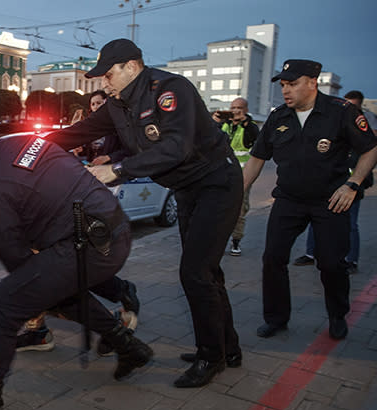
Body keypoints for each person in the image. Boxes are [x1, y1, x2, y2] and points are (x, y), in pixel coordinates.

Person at [44, 39, 244, 388]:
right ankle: (228, 347)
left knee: (195, 273)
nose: (103, 84)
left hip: (217, 182)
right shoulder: (116, 104)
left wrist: (117, 170)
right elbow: (78, 132)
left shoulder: (169, 89)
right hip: (187, 189)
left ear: (131, 67)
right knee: (207, 271)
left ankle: (211, 357)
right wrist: (28, 144)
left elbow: (175, 147)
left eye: (108, 75)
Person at [0, 124, 154, 410]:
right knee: (57, 289)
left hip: (87, 246)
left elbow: (15, 259)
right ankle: (129, 347)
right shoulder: (30, 142)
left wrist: (33, 293)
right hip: (115, 231)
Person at [243, 61, 377, 341]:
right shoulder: (278, 117)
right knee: (272, 259)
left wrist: (352, 185)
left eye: (292, 84)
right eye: (283, 85)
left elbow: (371, 151)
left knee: (331, 263)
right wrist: (237, 195)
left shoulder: (341, 112)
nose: (286, 90)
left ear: (312, 82)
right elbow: (257, 159)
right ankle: (277, 318)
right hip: (288, 200)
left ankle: (337, 315)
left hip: (330, 201)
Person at [17, 89, 141, 356]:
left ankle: (115, 315)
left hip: (105, 189)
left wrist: (110, 161)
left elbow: (133, 153)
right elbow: (69, 147)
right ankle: (38, 328)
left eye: (101, 103)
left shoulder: (121, 126)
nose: (96, 107)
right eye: (93, 103)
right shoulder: (89, 128)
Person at [293, 90, 376, 274]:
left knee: (351, 224)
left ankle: (351, 260)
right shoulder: (335, 125)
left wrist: (356, 183)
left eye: (352, 105)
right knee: (315, 219)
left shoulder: (360, 128)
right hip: (327, 185)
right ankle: (310, 254)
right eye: (345, 104)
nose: (346, 109)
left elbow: (370, 154)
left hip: (351, 186)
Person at [212, 97, 260, 256]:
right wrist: (215, 121)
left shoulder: (251, 127)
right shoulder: (225, 125)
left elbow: (253, 142)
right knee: (217, 208)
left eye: (239, 108)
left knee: (239, 210)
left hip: (242, 176)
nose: (235, 111)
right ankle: (217, 241)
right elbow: (210, 138)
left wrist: (245, 122)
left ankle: (236, 241)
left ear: (245, 110)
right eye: (232, 107)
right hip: (221, 173)